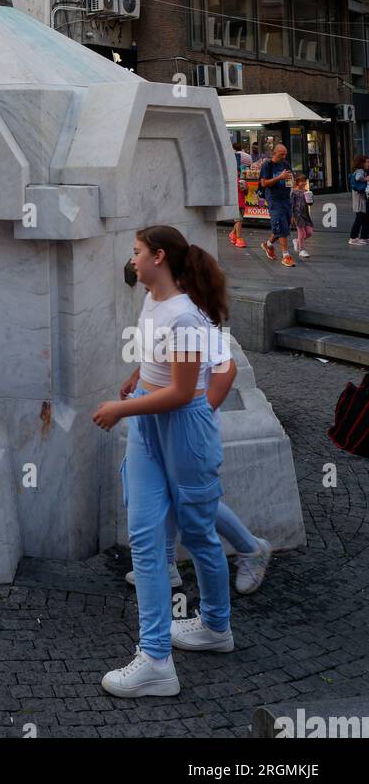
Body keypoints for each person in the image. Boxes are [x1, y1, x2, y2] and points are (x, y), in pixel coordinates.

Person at [94, 225, 233, 698]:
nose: (130, 260)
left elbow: (179, 392)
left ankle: (216, 627)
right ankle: (155, 657)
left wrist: (121, 409)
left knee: (197, 533)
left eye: (135, 253)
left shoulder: (187, 317)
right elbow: (161, 364)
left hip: (181, 427)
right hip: (148, 426)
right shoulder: (153, 299)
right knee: (146, 537)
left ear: (158, 256)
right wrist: (138, 376)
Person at [123, 357, 274, 595]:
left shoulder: (195, 322)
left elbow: (227, 366)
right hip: (161, 421)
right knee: (167, 492)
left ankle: (251, 548)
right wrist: (137, 376)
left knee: (191, 499)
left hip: (186, 428)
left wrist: (199, 414)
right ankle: (166, 564)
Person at [259, 144, 295, 267]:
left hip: (285, 198)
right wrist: (280, 177)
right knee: (281, 223)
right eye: (281, 154)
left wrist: (291, 182)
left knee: (284, 224)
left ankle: (268, 244)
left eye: (285, 154)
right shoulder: (267, 165)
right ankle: (286, 255)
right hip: (274, 199)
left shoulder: (285, 164)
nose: (284, 157)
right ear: (275, 153)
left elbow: (290, 179)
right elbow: (263, 183)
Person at [290, 173, 314, 260]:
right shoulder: (293, 192)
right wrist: (291, 216)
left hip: (305, 214)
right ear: (297, 182)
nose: (304, 183)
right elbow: (291, 204)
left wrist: (310, 199)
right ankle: (301, 250)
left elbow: (310, 203)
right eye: (302, 181)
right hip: (297, 214)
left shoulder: (306, 191)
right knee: (302, 233)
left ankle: (297, 241)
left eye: (305, 181)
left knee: (310, 232)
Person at [349, 154, 368, 246]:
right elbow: (358, 178)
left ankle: (361, 237)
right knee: (359, 219)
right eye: (367, 162)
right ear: (362, 163)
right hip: (359, 200)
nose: (368, 164)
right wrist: (366, 179)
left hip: (359, 199)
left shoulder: (357, 170)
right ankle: (353, 238)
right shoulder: (360, 171)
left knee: (362, 219)